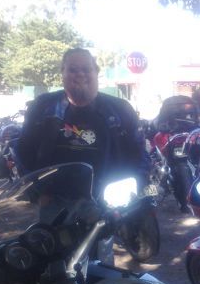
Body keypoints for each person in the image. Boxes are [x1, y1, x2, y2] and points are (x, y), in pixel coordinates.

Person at [16, 48, 151, 264]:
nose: (80, 74)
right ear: (62, 73)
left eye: (86, 69)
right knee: (51, 263)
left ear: (96, 72)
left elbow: (139, 154)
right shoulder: (43, 107)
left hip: (102, 203)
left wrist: (134, 189)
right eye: (72, 69)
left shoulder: (119, 109)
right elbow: (23, 150)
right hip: (53, 202)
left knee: (99, 265)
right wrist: (37, 191)